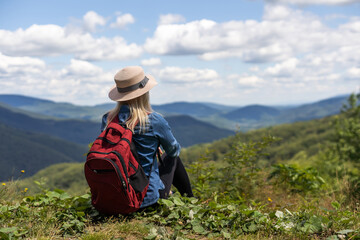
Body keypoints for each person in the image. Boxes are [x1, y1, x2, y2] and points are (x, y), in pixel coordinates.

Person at [100, 66, 194, 209]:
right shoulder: (154, 120)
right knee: (172, 158)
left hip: (115, 195)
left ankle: (186, 198)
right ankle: (191, 200)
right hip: (146, 199)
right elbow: (173, 150)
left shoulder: (108, 119)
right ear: (144, 93)